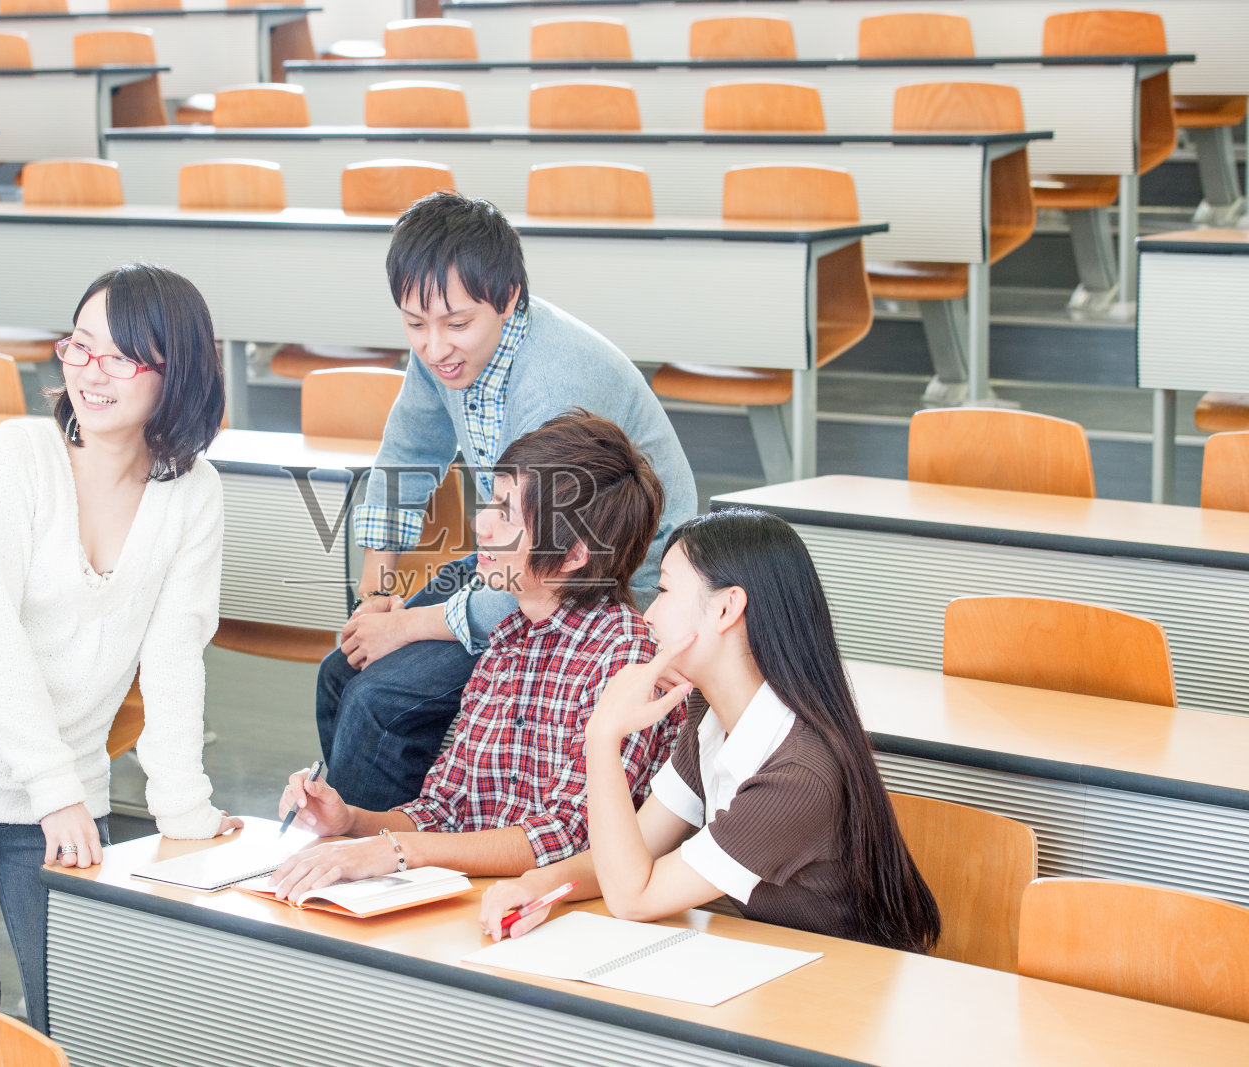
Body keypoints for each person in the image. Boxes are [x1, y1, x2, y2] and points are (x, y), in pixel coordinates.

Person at [0, 264, 240, 1032]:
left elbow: (174, 658)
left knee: (74, 1016)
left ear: (177, 372)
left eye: (120, 356)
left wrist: (185, 811)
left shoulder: (194, 493)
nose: (91, 372)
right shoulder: (16, 455)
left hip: (65, 798)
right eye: (80, 346)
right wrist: (54, 789)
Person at [318, 191, 698, 811]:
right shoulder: (444, 351)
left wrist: (405, 626)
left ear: (509, 296)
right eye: (415, 324)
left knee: (379, 702)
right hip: (516, 555)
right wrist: (375, 598)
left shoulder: (554, 383)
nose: (435, 346)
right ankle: (396, 827)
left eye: (456, 323)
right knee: (344, 669)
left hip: (598, 584)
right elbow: (406, 456)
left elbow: (545, 570)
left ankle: (393, 853)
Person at [478, 507, 942, 954]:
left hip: (843, 985)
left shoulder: (796, 776)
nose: (648, 616)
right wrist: (536, 885)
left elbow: (633, 897)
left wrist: (602, 735)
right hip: (776, 963)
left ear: (726, 609)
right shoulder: (710, 713)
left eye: (663, 590)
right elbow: (630, 854)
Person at [272, 413, 683, 899]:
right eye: (491, 501)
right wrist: (350, 821)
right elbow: (443, 811)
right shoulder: (508, 640)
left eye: (507, 515)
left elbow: (569, 838)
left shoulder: (626, 656)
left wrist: (400, 851)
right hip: (481, 898)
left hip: (561, 910)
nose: (480, 524)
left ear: (574, 555)